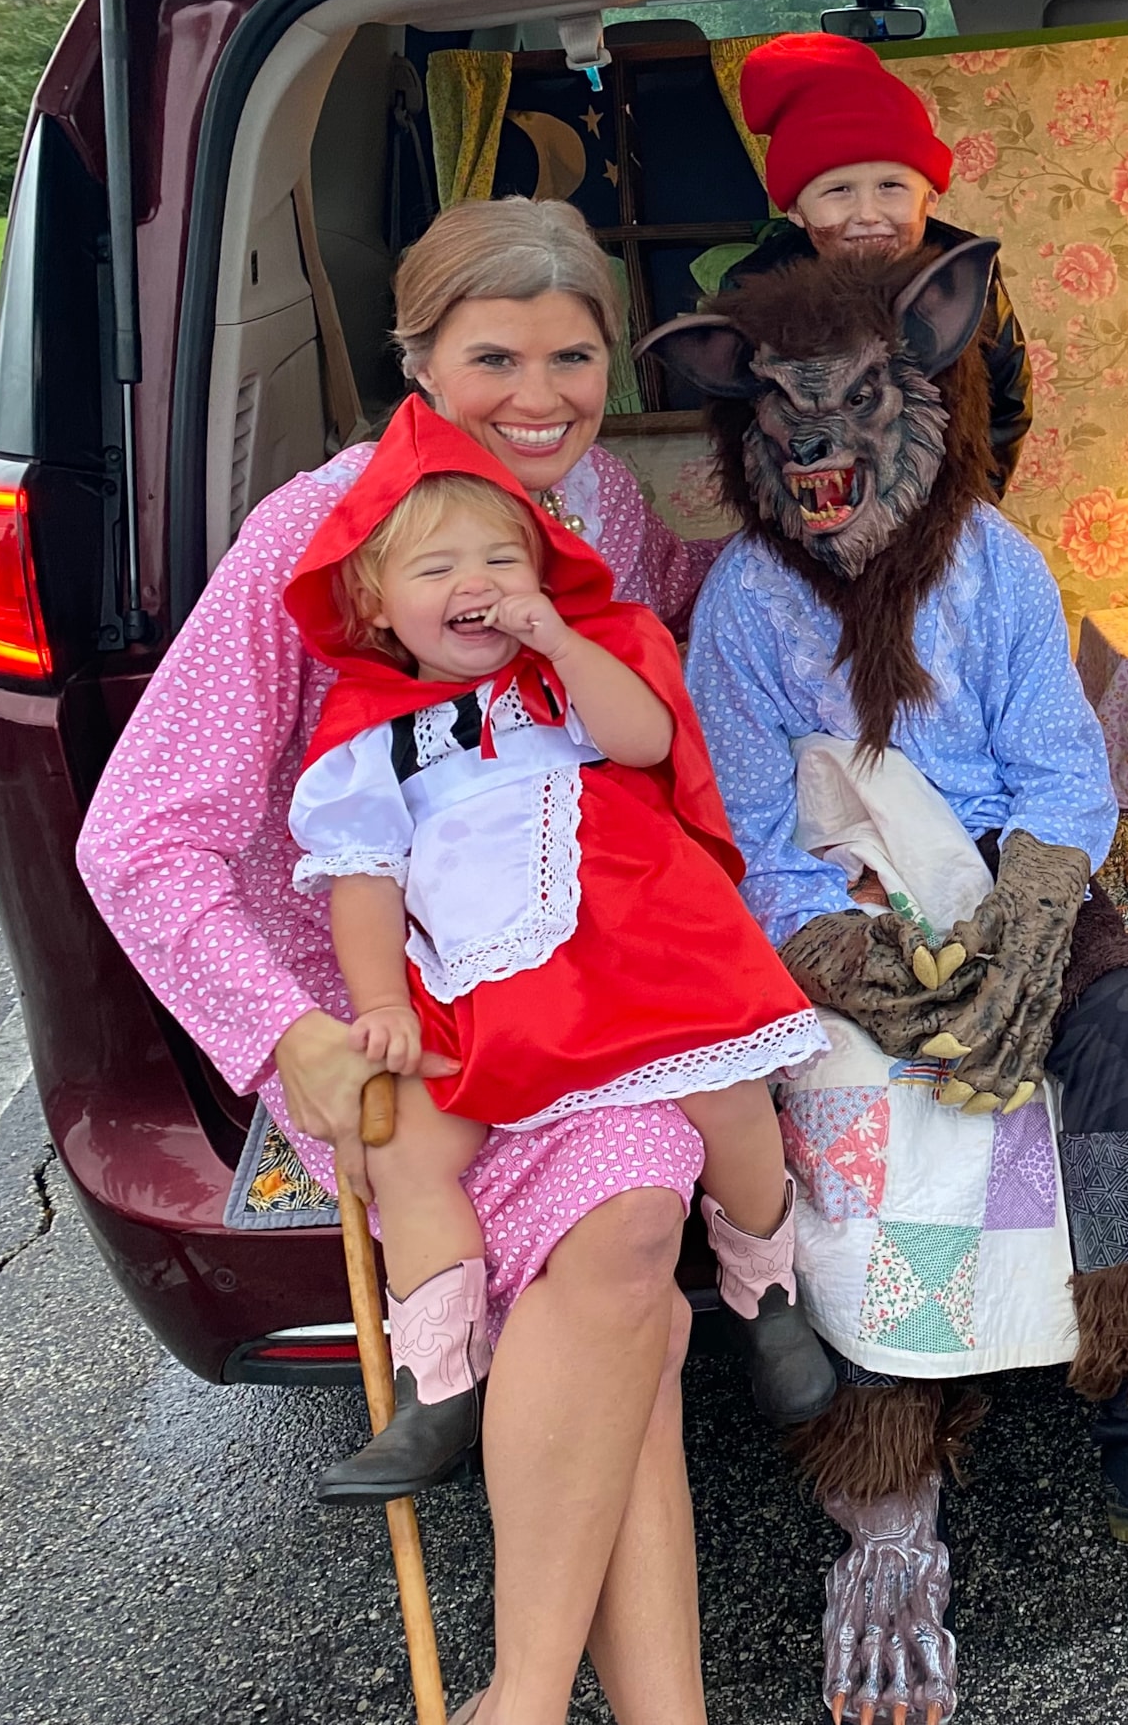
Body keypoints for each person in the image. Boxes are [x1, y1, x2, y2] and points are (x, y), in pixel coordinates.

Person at [648, 234, 1128, 1725]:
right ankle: (888, 1512)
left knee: (1117, 1034)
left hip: (1013, 861)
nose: (821, 447)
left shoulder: (995, 562)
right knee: (860, 1123)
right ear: (741, 419)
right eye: (786, 412)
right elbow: (747, 826)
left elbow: (1060, 768)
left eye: (857, 401)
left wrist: (1035, 925)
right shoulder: (738, 607)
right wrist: (861, 967)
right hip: (846, 889)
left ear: (928, 386)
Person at [77, 198, 724, 1725]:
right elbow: (140, 837)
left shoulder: (605, 514)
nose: (541, 396)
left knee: (632, 1256)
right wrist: (276, 1031)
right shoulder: (317, 529)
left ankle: (533, 1698)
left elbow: (674, 637)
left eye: (575, 356)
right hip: (374, 1013)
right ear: (417, 361)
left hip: (580, 988)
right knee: (636, 1301)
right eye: (495, 356)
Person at [287, 400, 840, 1503]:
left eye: (503, 556)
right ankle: (439, 1379)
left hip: (638, 955)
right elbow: (364, 881)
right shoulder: (369, 735)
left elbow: (645, 741)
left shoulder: (569, 673)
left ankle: (767, 1297)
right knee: (409, 1149)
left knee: (732, 1098)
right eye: (436, 567)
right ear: (376, 604)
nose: (476, 584)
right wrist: (378, 1000)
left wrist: (558, 637)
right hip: (483, 984)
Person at [722, 30, 1033, 488]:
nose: (868, 215)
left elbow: (1006, 394)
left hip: (943, 497)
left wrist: (975, 497)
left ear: (929, 195)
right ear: (795, 210)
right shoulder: (758, 286)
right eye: (838, 191)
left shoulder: (960, 271)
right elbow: (744, 424)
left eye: (891, 187)